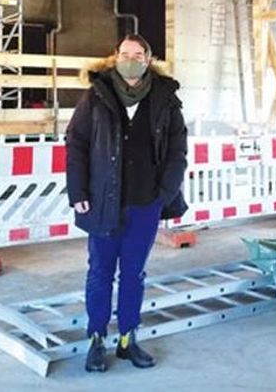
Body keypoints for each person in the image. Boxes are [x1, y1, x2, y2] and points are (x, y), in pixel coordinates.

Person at [66, 34, 188, 373]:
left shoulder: (165, 99)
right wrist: (78, 192)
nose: (130, 59)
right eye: (124, 53)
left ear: (148, 60)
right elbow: (75, 144)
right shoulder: (96, 96)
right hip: (104, 202)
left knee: (133, 274)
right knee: (100, 272)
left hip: (145, 203)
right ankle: (95, 340)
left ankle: (127, 339)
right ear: (115, 57)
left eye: (137, 54)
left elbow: (178, 149)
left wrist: (164, 192)